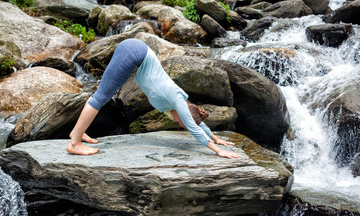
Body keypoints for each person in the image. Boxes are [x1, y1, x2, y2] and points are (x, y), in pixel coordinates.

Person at [67, 38, 240, 159]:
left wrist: (217, 138)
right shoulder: (178, 101)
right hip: (134, 52)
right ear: (185, 112)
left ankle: (79, 133)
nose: (181, 124)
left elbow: (197, 123)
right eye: (182, 122)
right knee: (101, 97)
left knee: (102, 95)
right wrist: (218, 151)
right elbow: (194, 128)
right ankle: (75, 142)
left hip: (136, 52)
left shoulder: (181, 105)